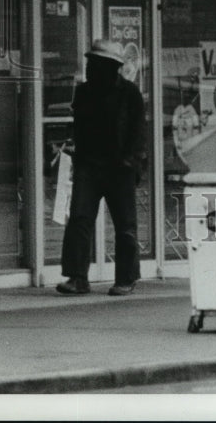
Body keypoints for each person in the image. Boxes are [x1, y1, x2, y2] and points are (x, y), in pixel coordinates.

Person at [56, 39, 147, 296]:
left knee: (125, 225)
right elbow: (79, 127)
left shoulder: (129, 93)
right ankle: (77, 277)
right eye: (90, 63)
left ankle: (126, 278)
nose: (89, 67)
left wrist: (131, 162)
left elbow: (138, 132)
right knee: (79, 219)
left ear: (110, 66)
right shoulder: (84, 92)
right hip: (90, 165)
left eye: (95, 63)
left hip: (120, 167)